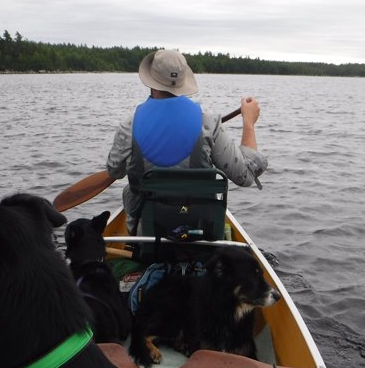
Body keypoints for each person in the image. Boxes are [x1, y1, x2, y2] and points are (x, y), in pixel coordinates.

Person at [106, 49, 267, 235]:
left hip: (148, 236)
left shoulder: (129, 126)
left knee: (130, 190)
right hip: (202, 232)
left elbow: (114, 171)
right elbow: (245, 177)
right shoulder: (209, 123)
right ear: (183, 81)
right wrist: (248, 122)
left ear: (151, 80)